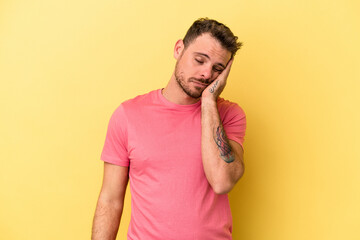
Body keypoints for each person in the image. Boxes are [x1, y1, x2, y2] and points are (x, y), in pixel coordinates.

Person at [92, 17, 246, 240]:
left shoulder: (229, 115)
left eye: (217, 69)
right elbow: (110, 200)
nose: (206, 74)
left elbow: (222, 181)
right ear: (178, 49)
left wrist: (209, 102)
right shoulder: (128, 115)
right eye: (200, 60)